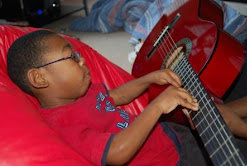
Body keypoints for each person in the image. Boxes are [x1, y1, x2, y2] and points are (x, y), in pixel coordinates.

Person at [7, 30, 205, 166]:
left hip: (168, 134)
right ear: (39, 78)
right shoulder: (62, 125)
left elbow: (118, 95)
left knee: (209, 110)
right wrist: (157, 106)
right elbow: (117, 153)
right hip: (172, 160)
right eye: (72, 57)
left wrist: (148, 79)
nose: (82, 59)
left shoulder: (83, 92)